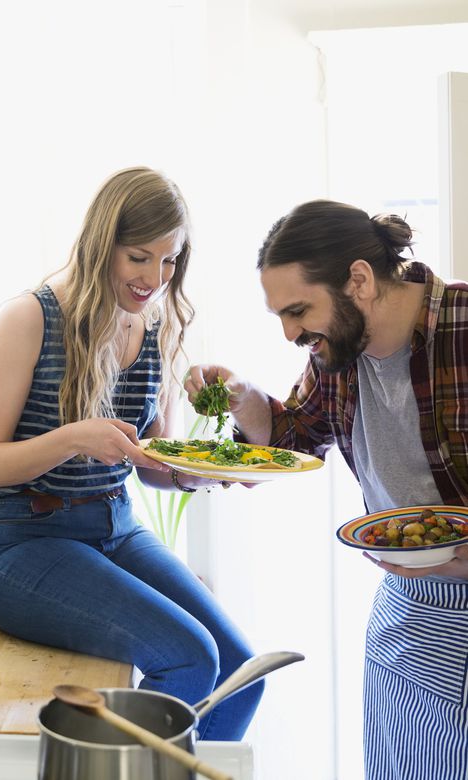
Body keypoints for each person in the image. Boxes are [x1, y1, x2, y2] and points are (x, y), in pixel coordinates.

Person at [0, 166, 263, 740]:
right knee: (190, 657)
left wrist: (203, 474)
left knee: (242, 672)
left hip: (116, 527)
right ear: (102, 244)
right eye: (139, 257)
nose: (155, 277)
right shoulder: (29, 318)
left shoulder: (158, 328)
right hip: (21, 545)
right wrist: (77, 436)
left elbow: (154, 464)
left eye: (170, 259)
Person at [185, 199, 468, 779]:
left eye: (298, 311)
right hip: (405, 609)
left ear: (359, 280)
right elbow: (293, 438)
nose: (291, 333)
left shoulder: (463, 325)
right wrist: (244, 397)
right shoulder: (335, 353)